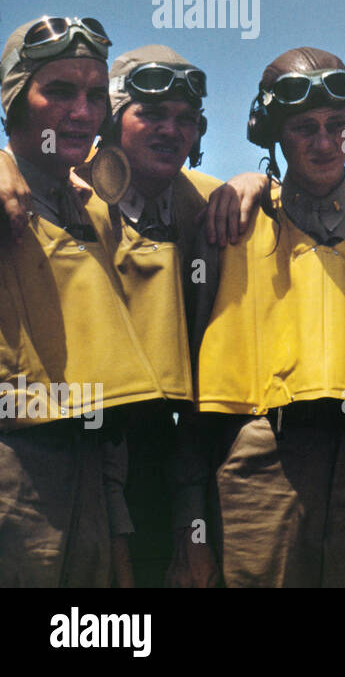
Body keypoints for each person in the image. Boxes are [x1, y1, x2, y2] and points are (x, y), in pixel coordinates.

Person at [168, 47, 345, 588]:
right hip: (255, 476)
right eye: (304, 127)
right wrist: (191, 524)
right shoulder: (228, 227)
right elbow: (190, 401)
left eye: (337, 126)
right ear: (274, 135)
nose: (324, 143)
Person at [0, 16, 179, 586]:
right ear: (14, 100)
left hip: (90, 485)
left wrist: (117, 533)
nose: (81, 111)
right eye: (58, 91)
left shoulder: (91, 216)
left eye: (95, 95)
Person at [82, 45, 221, 588]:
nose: (171, 130)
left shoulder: (202, 207)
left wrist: (256, 185)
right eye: (151, 113)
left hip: (170, 461)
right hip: (75, 456)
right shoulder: (63, 196)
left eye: (185, 119)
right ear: (113, 121)